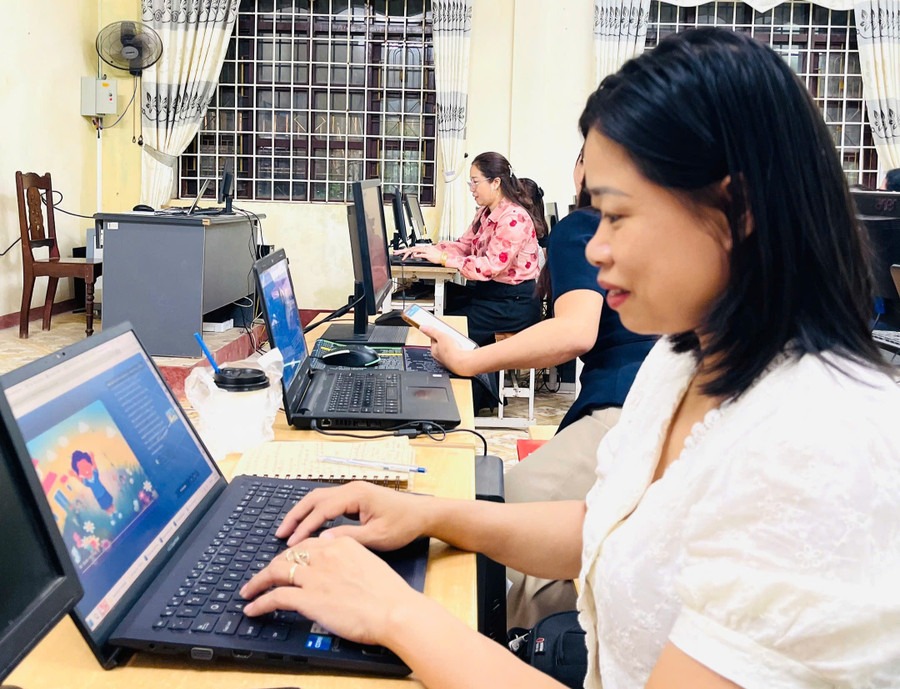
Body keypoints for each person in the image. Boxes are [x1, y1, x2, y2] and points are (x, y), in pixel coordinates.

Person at [239, 28, 900, 688]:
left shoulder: (823, 448)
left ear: (737, 209)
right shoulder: (683, 360)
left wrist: (395, 613)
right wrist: (431, 514)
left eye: (617, 215)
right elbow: (606, 526)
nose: (594, 249)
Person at [424, 152, 656, 627]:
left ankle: (481, 639)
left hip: (631, 406)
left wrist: (468, 361)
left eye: (476, 181)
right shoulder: (672, 229)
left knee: (495, 513)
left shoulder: (584, 226)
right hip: (669, 407)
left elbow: (575, 332)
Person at [397, 151, 544, 348]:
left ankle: (455, 364)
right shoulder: (485, 212)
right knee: (437, 302)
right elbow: (465, 245)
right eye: (470, 183)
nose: (472, 189)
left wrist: (443, 258)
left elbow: (489, 267)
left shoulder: (513, 219)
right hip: (491, 294)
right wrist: (428, 250)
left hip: (512, 305)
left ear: (496, 183)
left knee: (443, 328)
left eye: (475, 182)